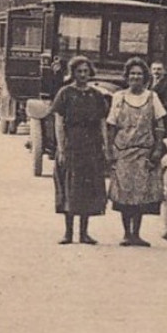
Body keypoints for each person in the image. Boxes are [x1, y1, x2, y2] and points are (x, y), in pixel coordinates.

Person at [107, 56, 167, 247]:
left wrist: (158, 149)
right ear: (127, 76)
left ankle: (137, 234)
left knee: (141, 194)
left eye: (139, 74)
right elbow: (111, 125)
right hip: (123, 151)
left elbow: (160, 125)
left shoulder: (152, 97)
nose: (135, 77)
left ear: (145, 77)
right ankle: (126, 234)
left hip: (144, 152)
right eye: (132, 74)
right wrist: (109, 151)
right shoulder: (119, 97)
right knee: (124, 194)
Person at [52, 55, 111, 245]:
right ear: (73, 73)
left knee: (86, 188)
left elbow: (102, 122)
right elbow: (59, 122)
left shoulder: (96, 95)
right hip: (71, 144)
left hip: (91, 146)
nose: (83, 75)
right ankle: (68, 233)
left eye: (86, 71)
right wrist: (61, 148)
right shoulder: (65, 93)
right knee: (70, 186)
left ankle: (84, 233)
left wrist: (105, 146)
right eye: (79, 71)